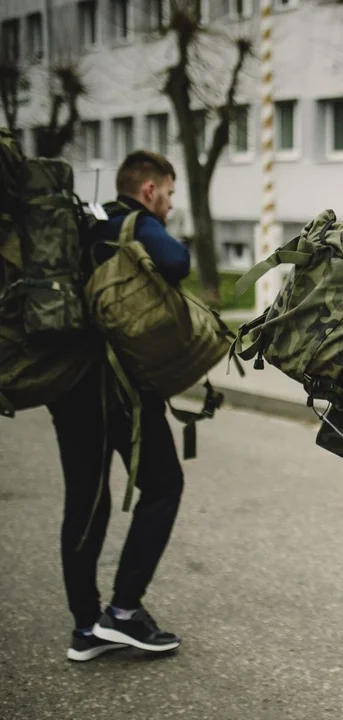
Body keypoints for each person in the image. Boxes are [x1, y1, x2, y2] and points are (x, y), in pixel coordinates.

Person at [49, 150, 189, 662]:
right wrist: (161, 235)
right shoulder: (134, 223)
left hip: (69, 386)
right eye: (170, 195)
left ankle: (86, 628)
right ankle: (125, 613)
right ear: (149, 189)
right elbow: (178, 262)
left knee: (85, 501)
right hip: (120, 389)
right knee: (164, 485)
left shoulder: (86, 225)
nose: (170, 206)